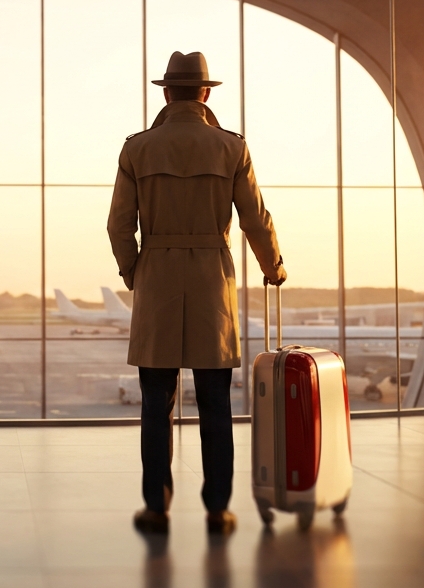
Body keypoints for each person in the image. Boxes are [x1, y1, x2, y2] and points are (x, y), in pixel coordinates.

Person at [108, 51, 286, 536]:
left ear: (167, 92)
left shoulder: (137, 149)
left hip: (157, 280)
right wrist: (273, 267)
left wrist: (134, 273)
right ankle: (217, 510)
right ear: (206, 93)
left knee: (155, 404)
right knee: (215, 404)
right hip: (212, 283)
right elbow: (255, 218)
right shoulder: (231, 148)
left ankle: (156, 508)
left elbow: (119, 226)